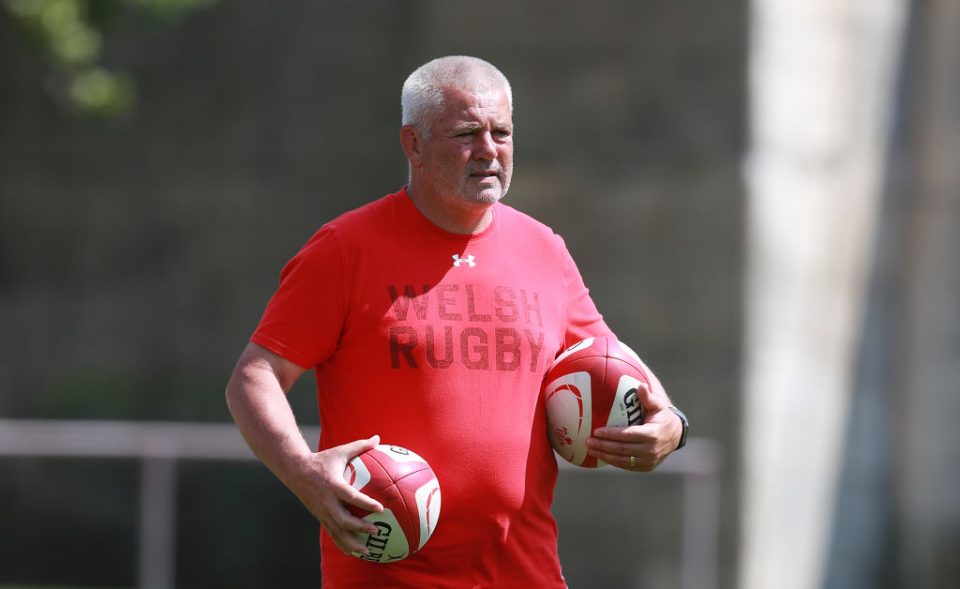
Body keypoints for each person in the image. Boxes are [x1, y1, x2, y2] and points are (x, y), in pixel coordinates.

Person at [225, 55, 688, 588]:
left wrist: (671, 426)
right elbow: (254, 377)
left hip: (527, 573)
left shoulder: (544, 249)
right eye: (467, 133)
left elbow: (611, 361)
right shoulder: (345, 249)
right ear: (413, 145)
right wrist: (303, 472)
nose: (489, 150)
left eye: (502, 132)